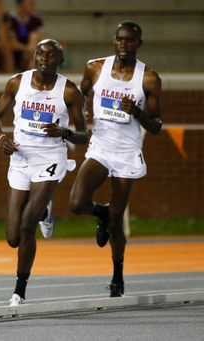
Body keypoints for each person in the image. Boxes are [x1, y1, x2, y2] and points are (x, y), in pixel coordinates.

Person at [0, 39, 88, 305]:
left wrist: (65, 132)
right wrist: (1, 139)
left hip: (50, 158)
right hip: (20, 157)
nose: (45, 58)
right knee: (12, 238)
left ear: (60, 60)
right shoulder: (16, 82)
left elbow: (83, 135)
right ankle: (45, 209)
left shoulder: (69, 91)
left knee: (27, 224)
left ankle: (19, 291)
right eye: (40, 53)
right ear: (34, 56)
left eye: (51, 55)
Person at [69, 21, 163, 297]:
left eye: (130, 40)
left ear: (139, 44)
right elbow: (77, 96)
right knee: (76, 203)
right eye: (120, 39)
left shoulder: (149, 79)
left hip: (127, 152)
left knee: (116, 221)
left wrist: (138, 113)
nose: (124, 44)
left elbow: (157, 126)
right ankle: (100, 211)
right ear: (114, 41)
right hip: (100, 146)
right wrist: (79, 121)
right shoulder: (96, 67)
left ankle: (117, 277)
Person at [8, 0, 45, 71]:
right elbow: (12, 42)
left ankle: (32, 68)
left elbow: (42, 38)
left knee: (34, 36)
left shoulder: (36, 19)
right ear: (20, 4)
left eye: (33, 3)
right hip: (15, 52)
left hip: (30, 53)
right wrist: (28, 49)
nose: (33, 5)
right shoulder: (10, 18)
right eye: (30, 3)